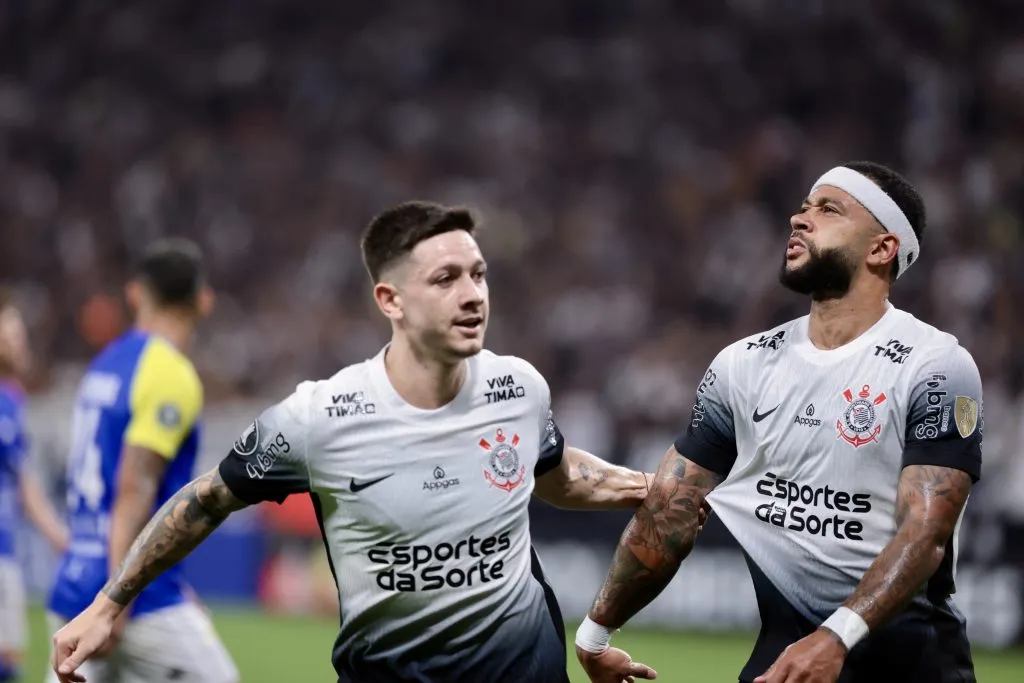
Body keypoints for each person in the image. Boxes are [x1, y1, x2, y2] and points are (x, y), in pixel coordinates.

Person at [51, 202, 657, 683]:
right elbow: (206, 500)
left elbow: (560, 475)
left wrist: (650, 489)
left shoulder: (518, 389)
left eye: (478, 275)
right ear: (389, 300)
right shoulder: (319, 418)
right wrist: (108, 604)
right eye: (445, 279)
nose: (473, 295)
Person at [575, 161, 983, 683]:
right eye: (803, 206)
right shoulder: (743, 364)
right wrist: (594, 634)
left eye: (828, 209)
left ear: (882, 248)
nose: (799, 218)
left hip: (913, 666)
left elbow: (925, 534)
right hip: (783, 663)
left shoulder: (936, 366)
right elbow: (670, 510)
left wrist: (836, 637)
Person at [45, 239, 238, 683]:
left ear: (135, 293)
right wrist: (116, 601)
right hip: (131, 595)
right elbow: (134, 488)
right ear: (204, 300)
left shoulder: (105, 365)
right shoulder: (168, 371)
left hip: (77, 578)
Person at [0, 295, 69, 682]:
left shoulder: (11, 399)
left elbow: (23, 479)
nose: (19, 341)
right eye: (10, 333)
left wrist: (56, 534)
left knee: (8, 654)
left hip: (5, 548)